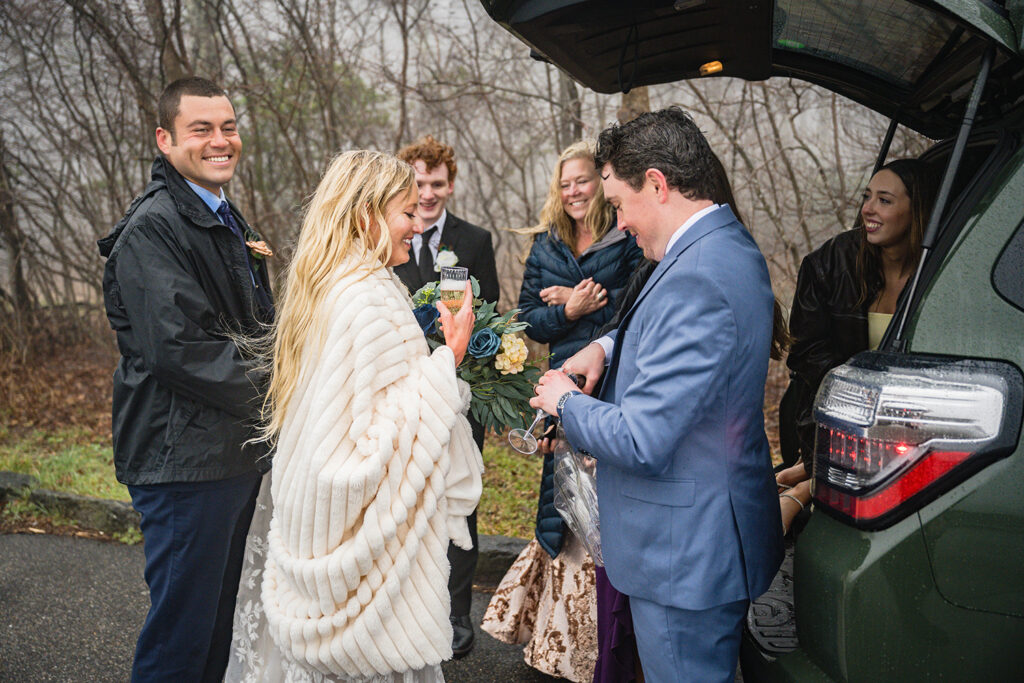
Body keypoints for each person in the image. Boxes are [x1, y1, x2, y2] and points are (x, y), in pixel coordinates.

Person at [533, 107, 784, 683]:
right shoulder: (721, 246)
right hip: (704, 536)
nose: (619, 223)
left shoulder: (695, 273)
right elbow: (681, 335)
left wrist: (561, 401)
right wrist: (607, 347)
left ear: (657, 184)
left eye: (619, 204)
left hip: (684, 555)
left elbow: (644, 440)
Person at [225, 150, 483, 682]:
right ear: (366, 214)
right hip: (356, 548)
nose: (416, 224)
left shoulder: (344, 283)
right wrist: (448, 358)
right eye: (405, 212)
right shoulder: (365, 298)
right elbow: (364, 445)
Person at [96, 77, 274, 682]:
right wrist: (287, 387)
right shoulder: (154, 229)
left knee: (217, 631)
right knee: (181, 639)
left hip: (230, 453)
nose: (220, 140)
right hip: (184, 463)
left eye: (228, 127)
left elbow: (248, 327)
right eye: (202, 129)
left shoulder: (218, 214)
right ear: (165, 139)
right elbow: (182, 350)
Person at [481, 140, 641, 682]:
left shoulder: (627, 238)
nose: (574, 191)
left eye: (584, 180)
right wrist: (571, 307)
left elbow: (634, 312)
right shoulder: (548, 245)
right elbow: (525, 322)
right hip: (558, 389)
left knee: (603, 509)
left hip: (611, 391)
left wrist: (575, 306)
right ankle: (559, 646)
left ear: (601, 183)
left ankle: (609, 643)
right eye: (565, 182)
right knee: (562, 507)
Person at [775, 158, 936, 531]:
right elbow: (807, 356)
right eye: (867, 196)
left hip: (906, 426)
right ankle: (805, 479)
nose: (868, 208)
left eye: (884, 200)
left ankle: (802, 486)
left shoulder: (938, 272)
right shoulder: (831, 263)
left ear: (918, 210)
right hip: (833, 414)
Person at [394, 135, 500, 657]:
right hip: (402, 395)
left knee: (460, 501)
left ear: (451, 184)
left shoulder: (474, 241)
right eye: (419, 183)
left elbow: (492, 319)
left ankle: (457, 615)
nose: (428, 193)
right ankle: (410, 609)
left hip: (458, 396)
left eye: (437, 184)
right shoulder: (389, 238)